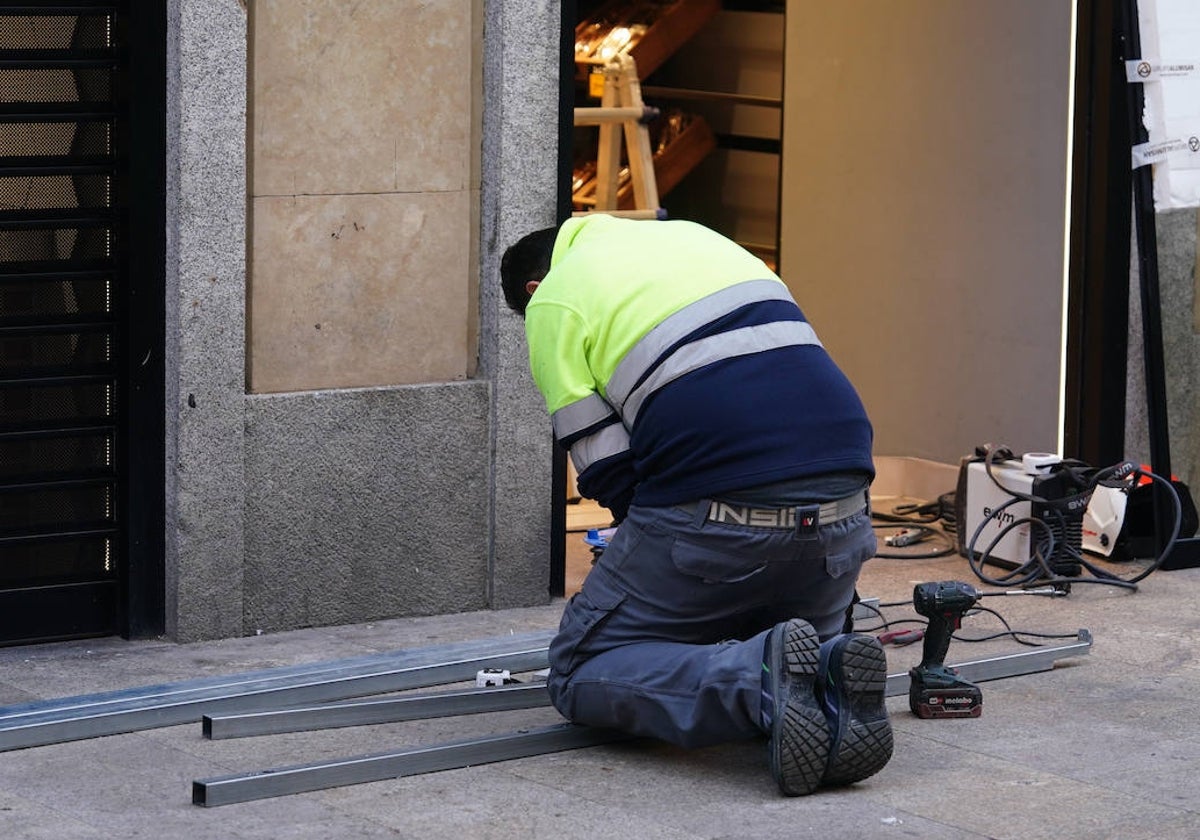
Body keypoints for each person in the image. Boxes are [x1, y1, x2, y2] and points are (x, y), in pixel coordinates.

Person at [500, 213, 893, 796]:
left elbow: (607, 464)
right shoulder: (703, 238)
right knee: (788, 632)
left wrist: (642, 552)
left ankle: (754, 682)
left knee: (580, 669)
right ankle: (829, 668)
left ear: (532, 289)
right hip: (845, 505)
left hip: (719, 510)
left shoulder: (554, 300)